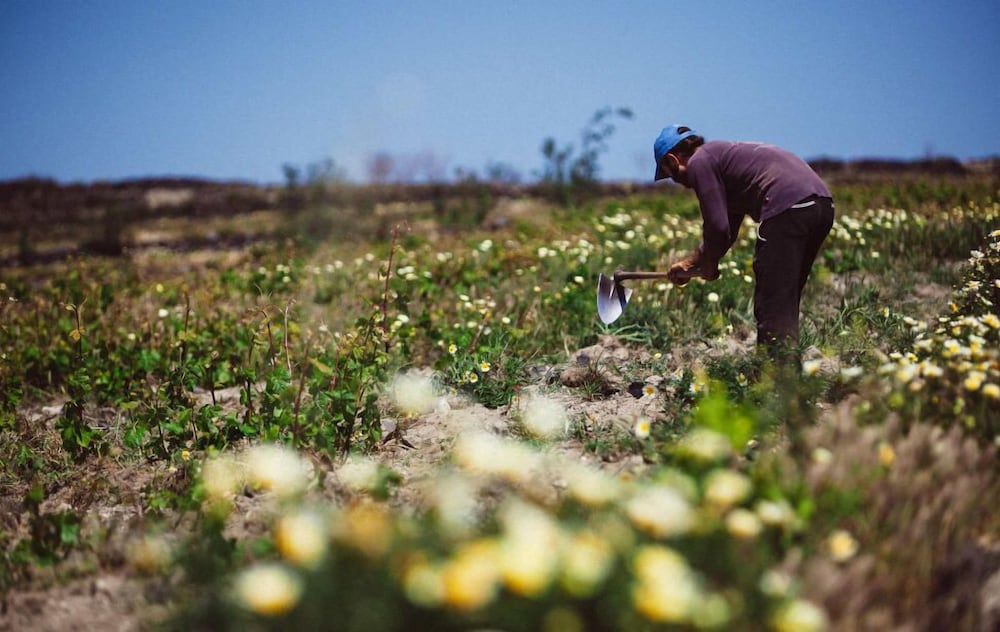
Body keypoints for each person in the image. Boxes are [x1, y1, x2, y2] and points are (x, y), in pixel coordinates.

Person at [653, 124, 834, 360]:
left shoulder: (700, 161)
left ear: (672, 160)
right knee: (784, 299)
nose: (676, 182)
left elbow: (717, 228)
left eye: (669, 174)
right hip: (820, 205)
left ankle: (776, 384)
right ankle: (789, 382)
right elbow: (727, 230)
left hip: (787, 206)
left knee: (771, 304)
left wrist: (706, 262)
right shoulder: (723, 160)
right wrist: (696, 263)